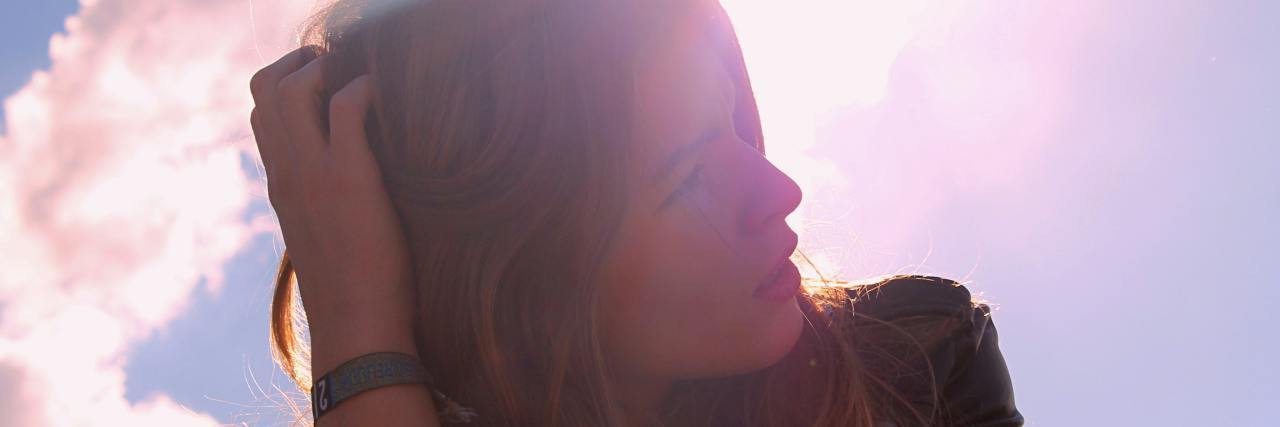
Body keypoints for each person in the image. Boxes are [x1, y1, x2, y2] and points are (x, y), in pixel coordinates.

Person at [248, 0, 1024, 425]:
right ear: (522, 281)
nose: (777, 192)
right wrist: (360, 336)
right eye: (684, 180)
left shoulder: (923, 365)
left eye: (734, 128)